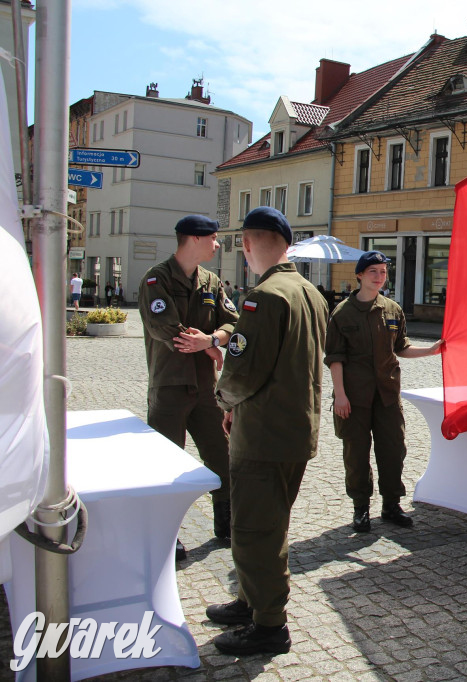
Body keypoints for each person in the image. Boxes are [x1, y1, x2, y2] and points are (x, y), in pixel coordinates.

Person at [206, 206, 329, 656]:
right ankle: (250, 601)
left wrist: (223, 402)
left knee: (258, 530)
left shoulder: (264, 297)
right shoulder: (309, 292)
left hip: (263, 436)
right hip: (294, 431)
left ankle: (269, 626)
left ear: (247, 243)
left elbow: (242, 371)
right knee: (268, 522)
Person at [137, 215, 238, 562]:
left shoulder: (210, 281)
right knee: (165, 464)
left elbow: (233, 321)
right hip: (170, 386)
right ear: (194, 239)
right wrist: (204, 344)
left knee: (221, 457)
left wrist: (212, 340)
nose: (217, 244)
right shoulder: (156, 279)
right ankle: (168, 532)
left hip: (206, 387)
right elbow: (163, 327)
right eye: (213, 238)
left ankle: (226, 524)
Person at [325, 251, 443, 534]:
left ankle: (391, 505)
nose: (379, 277)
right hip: (354, 398)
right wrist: (339, 395)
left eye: (383, 272)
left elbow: (400, 347)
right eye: (373, 272)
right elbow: (335, 358)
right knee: (356, 453)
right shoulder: (342, 313)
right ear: (360, 275)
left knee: (393, 451)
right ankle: (361, 508)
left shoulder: (392, 309)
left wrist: (430, 350)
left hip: (387, 396)